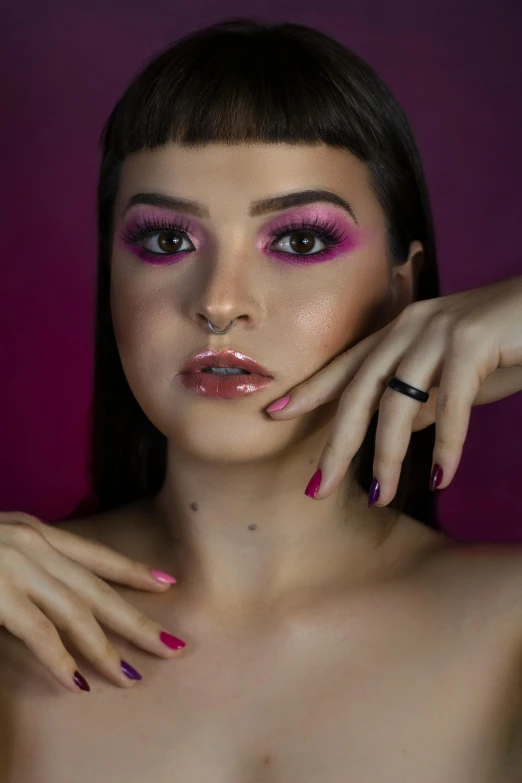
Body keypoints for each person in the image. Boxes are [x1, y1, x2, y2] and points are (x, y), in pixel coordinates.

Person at [1, 16, 522, 782]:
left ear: (403, 286)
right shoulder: (11, 623)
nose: (220, 303)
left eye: (301, 241)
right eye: (166, 241)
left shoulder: (509, 627)